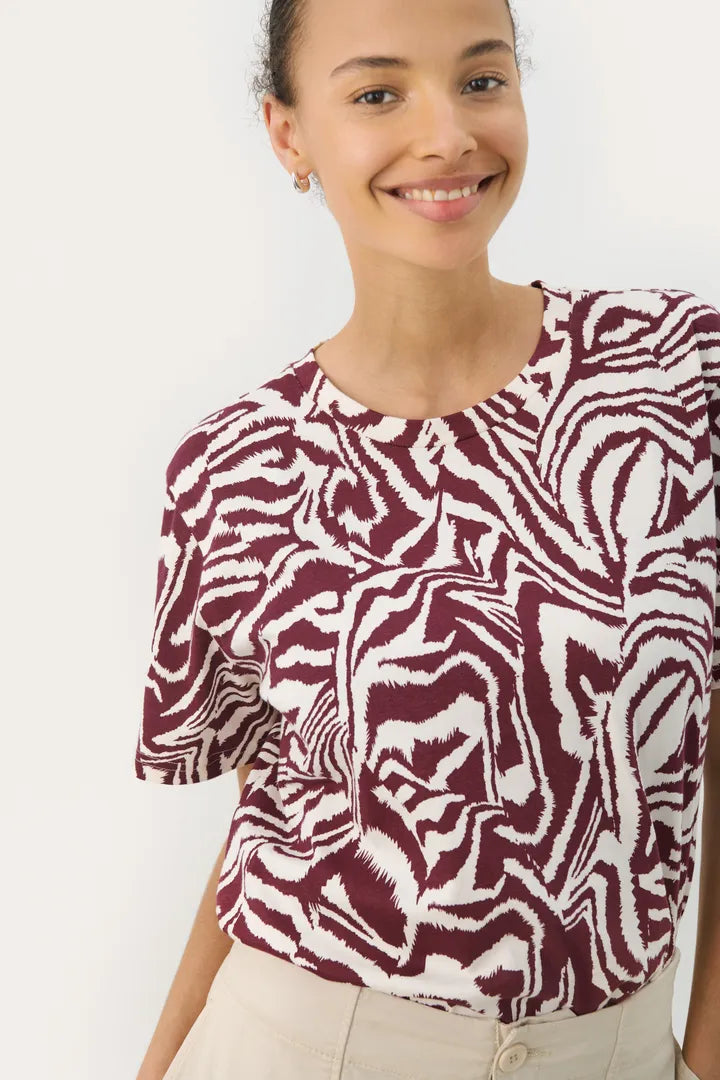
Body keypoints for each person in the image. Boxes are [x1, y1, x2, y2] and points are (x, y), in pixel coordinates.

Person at [132, 0, 720, 1077]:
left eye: (482, 79)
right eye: (377, 93)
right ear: (288, 134)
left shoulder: (677, 371)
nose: (447, 134)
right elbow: (273, 812)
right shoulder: (233, 470)